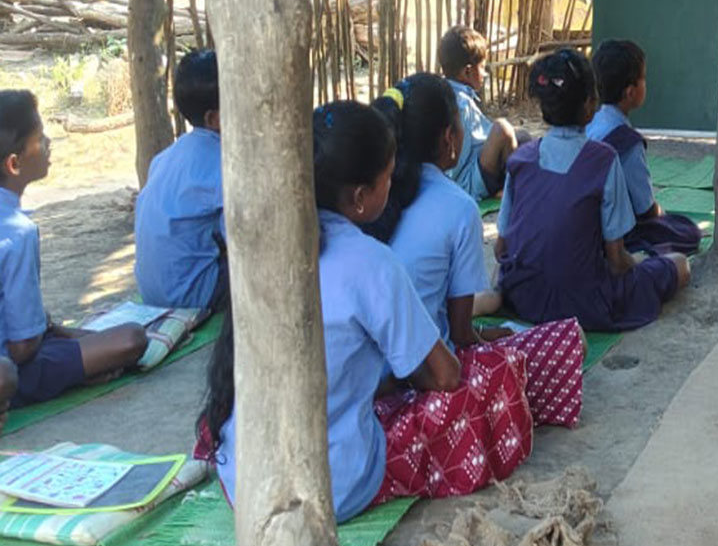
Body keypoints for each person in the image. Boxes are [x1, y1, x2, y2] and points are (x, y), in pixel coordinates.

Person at [199, 101, 532, 521]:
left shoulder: (258, 239)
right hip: (329, 485)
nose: (394, 187)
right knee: (486, 380)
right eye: (388, 178)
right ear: (360, 197)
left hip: (246, 479)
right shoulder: (370, 262)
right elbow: (445, 376)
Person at [371, 73, 585, 429]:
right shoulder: (458, 207)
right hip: (423, 383)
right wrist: (496, 335)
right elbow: (461, 336)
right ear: (449, 138)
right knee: (565, 339)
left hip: (365, 385)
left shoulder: (368, 202)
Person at [496, 49, 690, 332]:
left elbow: (502, 248)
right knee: (680, 265)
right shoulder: (603, 160)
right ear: (590, 104)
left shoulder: (521, 159)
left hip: (524, 297)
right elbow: (617, 262)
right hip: (584, 304)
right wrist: (638, 262)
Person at [1, 90, 147, 406]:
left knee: (86, 340)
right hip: (14, 370)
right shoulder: (17, 232)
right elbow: (22, 348)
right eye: (40, 138)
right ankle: (80, 372)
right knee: (132, 338)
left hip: (21, 350)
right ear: (14, 163)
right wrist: (54, 333)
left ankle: (81, 362)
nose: (49, 144)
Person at [585, 39, 702, 256]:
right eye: (643, 79)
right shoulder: (627, 143)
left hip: (583, 223)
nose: (646, 84)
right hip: (614, 232)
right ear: (630, 92)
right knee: (688, 232)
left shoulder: (589, 124)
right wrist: (663, 215)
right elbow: (646, 209)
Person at [134, 49, 228, 310]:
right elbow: (247, 242)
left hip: (153, 291)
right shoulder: (225, 166)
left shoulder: (164, 158)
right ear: (215, 118)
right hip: (193, 295)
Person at [438, 25, 519, 201]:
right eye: (482, 67)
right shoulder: (461, 104)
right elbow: (458, 161)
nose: (485, 73)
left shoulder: (448, 93)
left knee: (523, 138)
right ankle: (511, 191)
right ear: (468, 71)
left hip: (465, 173)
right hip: (465, 183)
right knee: (503, 129)